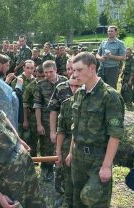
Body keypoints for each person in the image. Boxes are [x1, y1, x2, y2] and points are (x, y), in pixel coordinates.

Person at [66, 52, 125, 207]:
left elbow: (115, 134)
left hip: (98, 158)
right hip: (78, 157)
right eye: (73, 70)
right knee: (77, 200)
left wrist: (106, 166)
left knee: (95, 201)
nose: (74, 74)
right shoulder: (79, 93)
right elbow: (76, 127)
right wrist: (71, 152)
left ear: (92, 68)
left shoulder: (109, 96)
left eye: (79, 70)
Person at [34, 60, 67, 182]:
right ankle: (46, 170)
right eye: (45, 72)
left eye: (50, 72)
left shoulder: (65, 81)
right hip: (46, 121)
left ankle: (61, 169)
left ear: (56, 70)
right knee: (46, 147)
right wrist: (39, 124)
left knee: (62, 145)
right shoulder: (40, 84)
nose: (48, 74)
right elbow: (37, 105)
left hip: (64, 120)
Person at [55, 77, 81, 208]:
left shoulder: (90, 103)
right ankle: (65, 199)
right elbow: (61, 130)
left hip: (83, 145)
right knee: (67, 176)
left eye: (77, 86)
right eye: (72, 86)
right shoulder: (66, 104)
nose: (74, 89)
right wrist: (58, 152)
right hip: (67, 143)